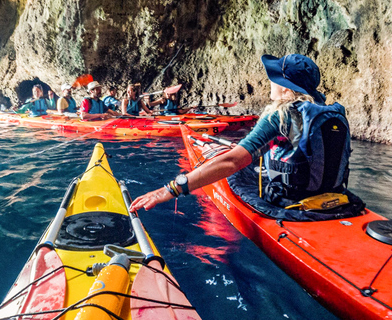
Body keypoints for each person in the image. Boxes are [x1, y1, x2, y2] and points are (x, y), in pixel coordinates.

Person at [130, 54, 352, 212]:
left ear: (285, 87)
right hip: (335, 199)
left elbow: (232, 163)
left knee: (237, 174)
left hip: (292, 205)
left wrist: (170, 189)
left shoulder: (281, 114)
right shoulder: (332, 112)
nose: (270, 82)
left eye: (275, 78)